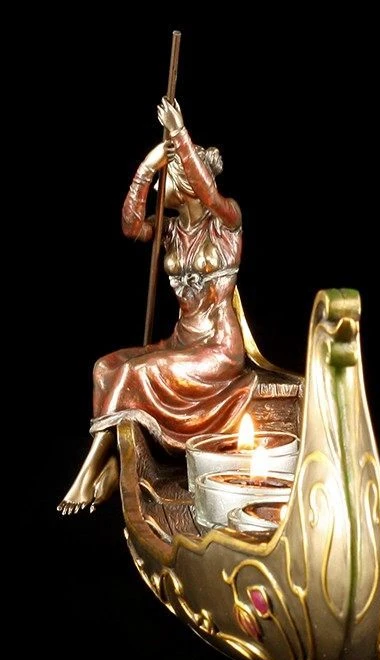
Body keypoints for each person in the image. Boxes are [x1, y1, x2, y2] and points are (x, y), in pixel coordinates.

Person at [58, 97, 257, 514]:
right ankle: (116, 458)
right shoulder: (170, 231)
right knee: (105, 367)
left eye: (169, 174)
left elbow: (210, 193)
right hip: (180, 342)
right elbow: (131, 225)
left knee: (136, 372)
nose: (162, 183)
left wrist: (180, 133)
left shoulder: (226, 222)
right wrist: (146, 168)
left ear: (188, 181)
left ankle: (89, 469)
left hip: (217, 349)